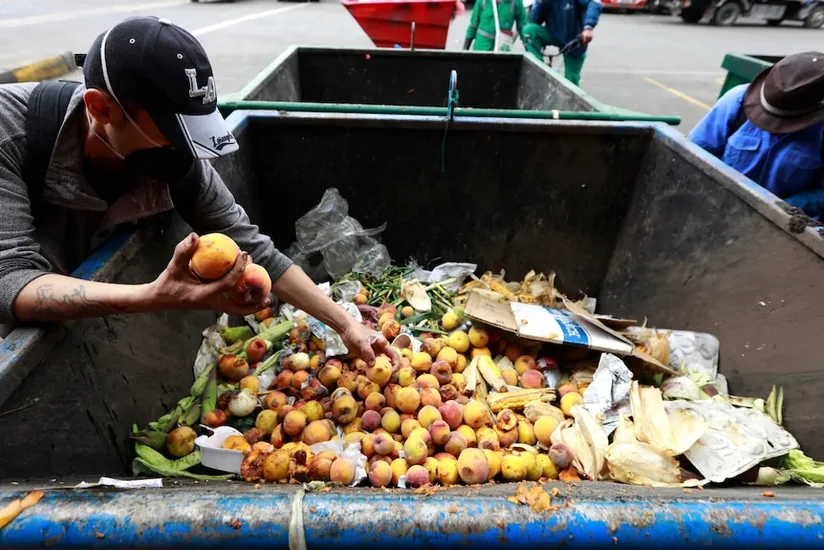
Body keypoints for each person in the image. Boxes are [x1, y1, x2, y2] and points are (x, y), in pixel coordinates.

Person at [0, 16, 396, 366]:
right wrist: (153, 296)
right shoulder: (12, 134)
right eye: (172, 137)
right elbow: (12, 281)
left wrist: (346, 325)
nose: (186, 154)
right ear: (102, 109)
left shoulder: (177, 164)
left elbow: (255, 248)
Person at [689, 51, 824, 219]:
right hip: (717, 208)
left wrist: (787, 207)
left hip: (783, 224)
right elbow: (695, 155)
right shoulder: (736, 101)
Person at [521, 0, 603, 87]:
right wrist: (540, 4)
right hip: (553, 33)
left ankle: (571, 98)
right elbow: (535, 21)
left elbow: (594, 3)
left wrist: (588, 27)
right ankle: (538, 69)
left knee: (571, 81)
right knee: (529, 30)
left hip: (574, 39)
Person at [463, 0, 529, 52]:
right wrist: (465, 50)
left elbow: (523, 28)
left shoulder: (516, 2)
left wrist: (529, 52)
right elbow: (473, 26)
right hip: (482, 47)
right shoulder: (482, 1)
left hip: (502, 48)